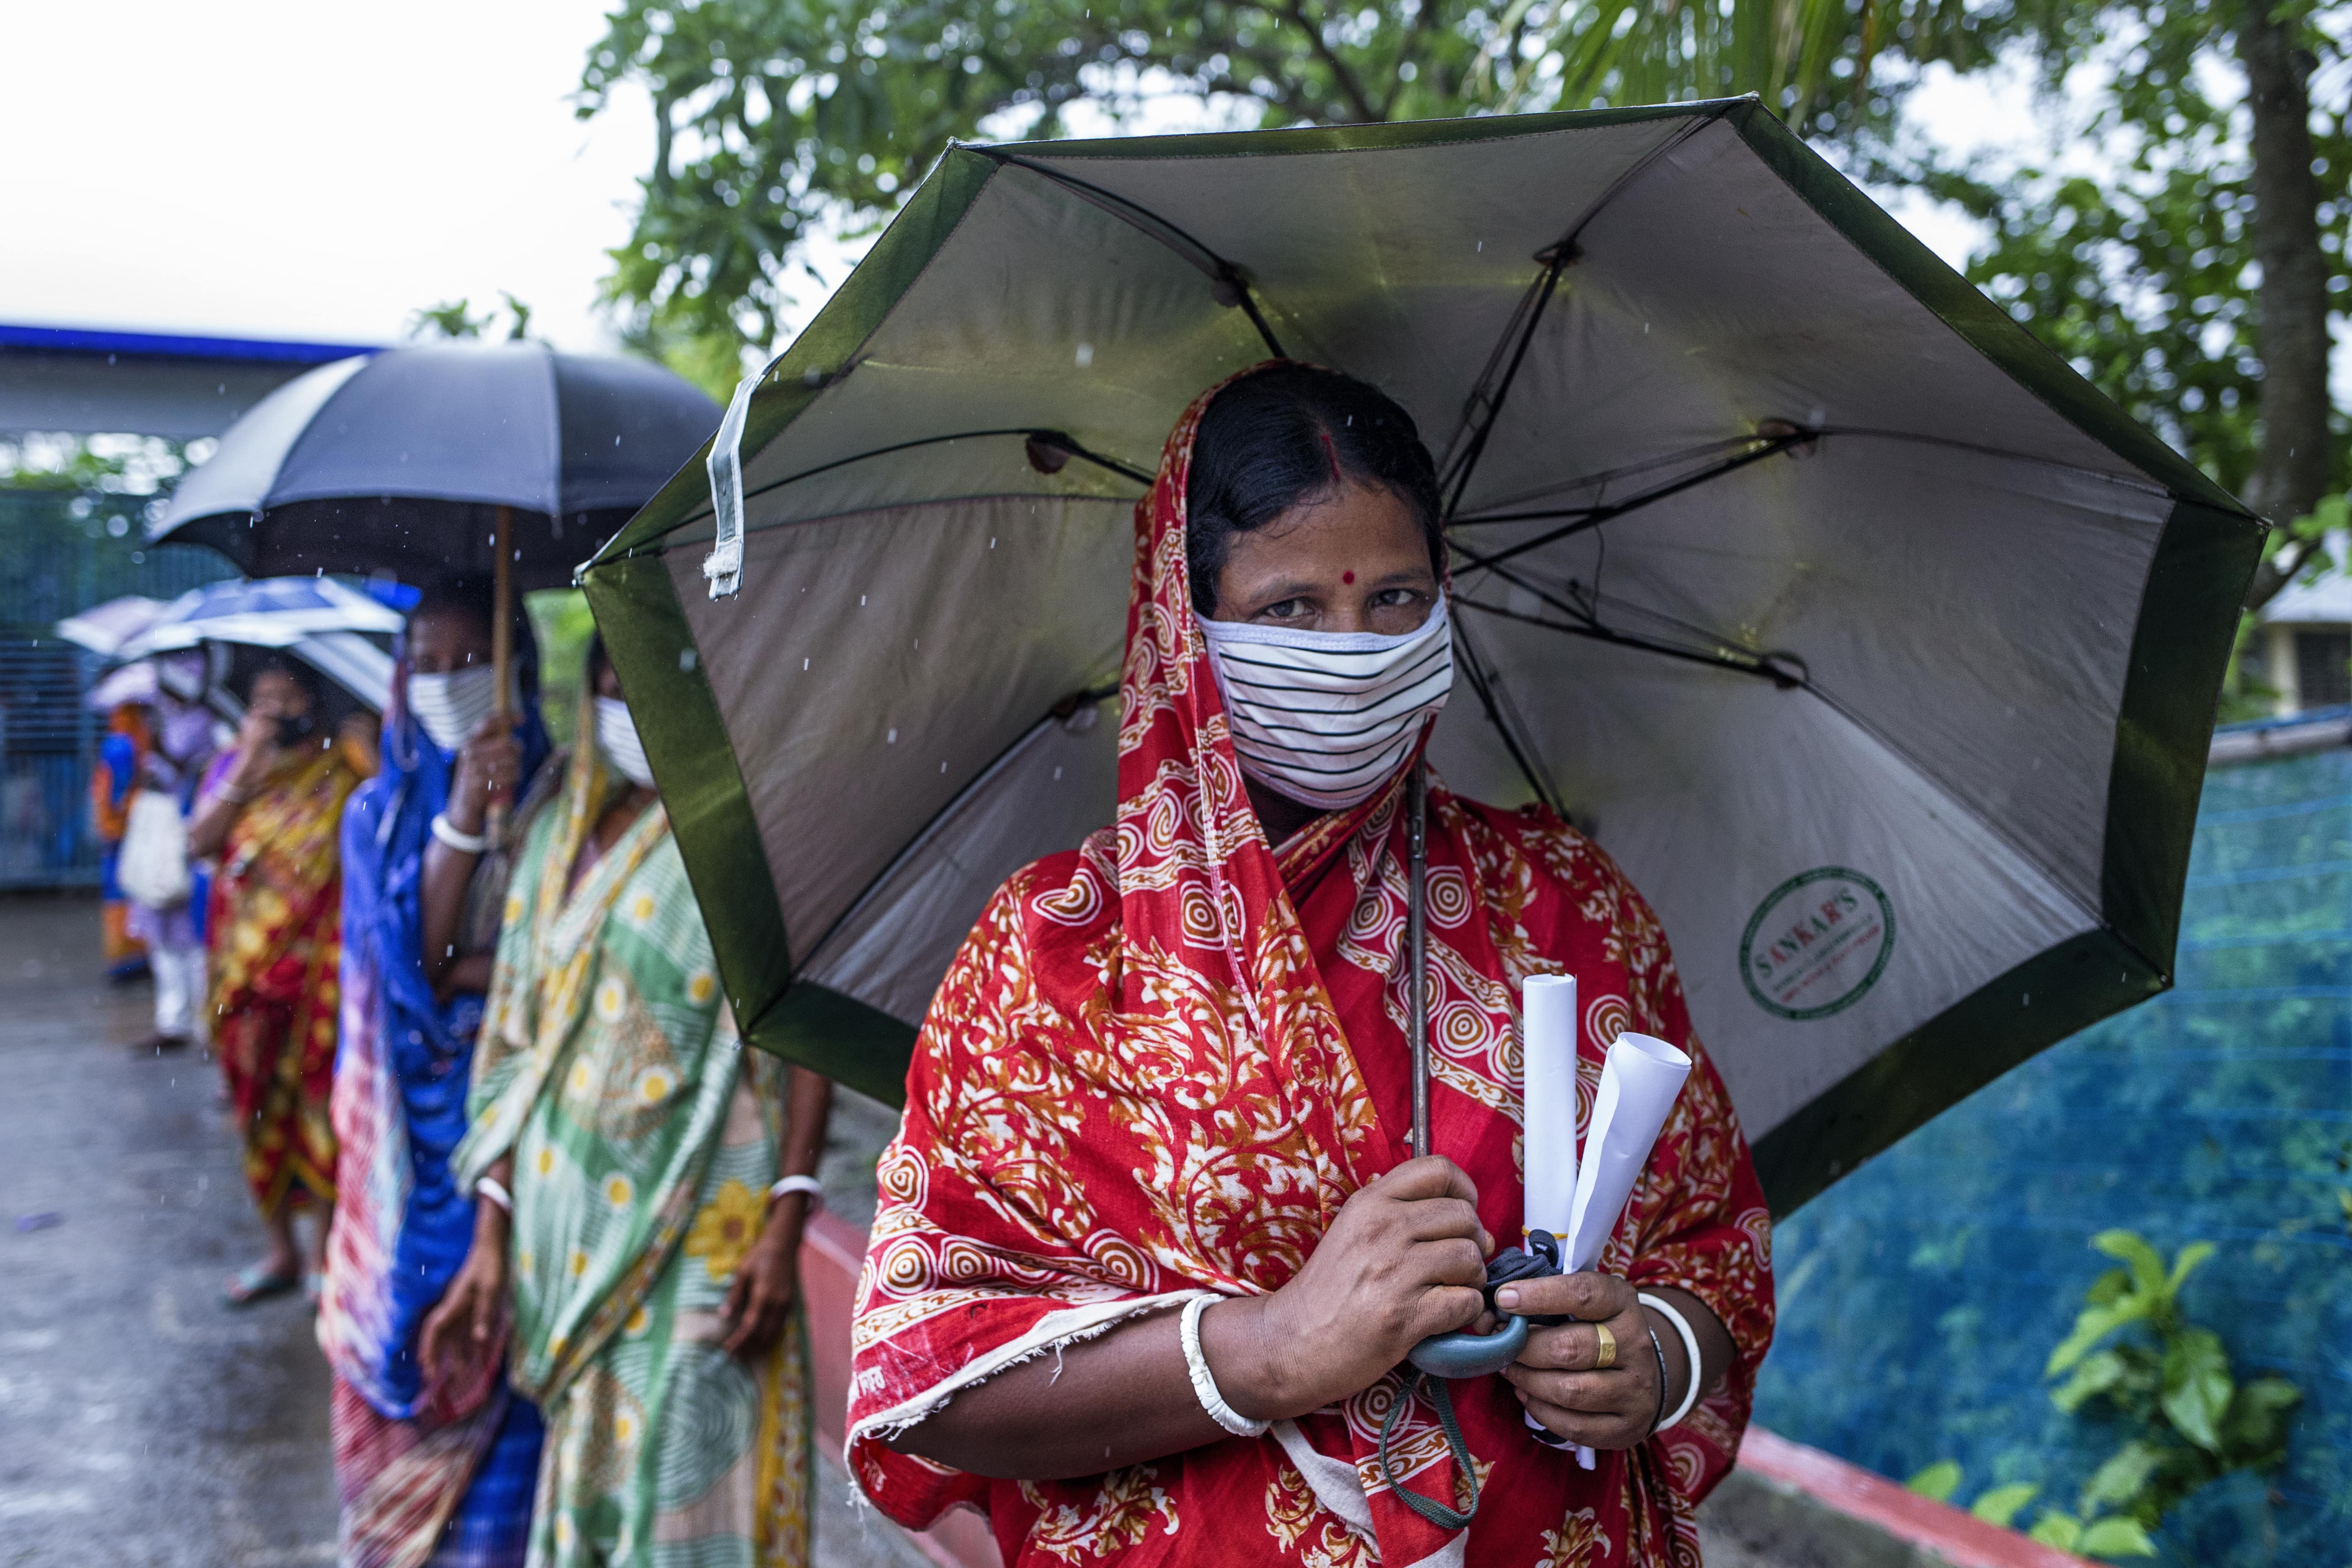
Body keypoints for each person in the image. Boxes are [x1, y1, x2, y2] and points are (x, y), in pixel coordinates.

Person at [844, 364, 1776, 1565]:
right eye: (1291, 610)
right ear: (1186, 620)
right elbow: (931, 1370)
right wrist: (1271, 1349)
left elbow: (1718, 1245)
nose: (1354, 652)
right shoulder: (1060, 959)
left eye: (1395, 599)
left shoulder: (1562, 905)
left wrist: (1653, 1352)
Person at [425, 637, 836, 1568]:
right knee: (600, 1502)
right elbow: (513, 1052)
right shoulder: (556, 839)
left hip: (708, 1241)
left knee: (690, 1504)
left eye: (650, 673)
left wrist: (788, 1218)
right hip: (561, 1255)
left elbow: (804, 1028)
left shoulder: (747, 839)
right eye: (610, 675)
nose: (626, 694)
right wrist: (490, 1236)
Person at [321, 577, 556, 1568]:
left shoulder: (560, 802)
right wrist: (463, 812)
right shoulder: (376, 815)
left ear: (520, 675)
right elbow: (410, 978)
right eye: (428, 662)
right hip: (407, 1176)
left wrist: (482, 969)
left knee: (511, 1467)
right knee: (407, 1370)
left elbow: (566, 967)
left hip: (528, 1158)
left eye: (473, 662)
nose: (447, 682)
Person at [190, 655, 371, 1305]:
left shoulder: (343, 767)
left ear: (312, 703)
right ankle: (280, 1252)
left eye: (287, 698)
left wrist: (363, 743)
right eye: (262, 699)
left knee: (322, 1110)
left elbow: (382, 813)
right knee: (256, 1113)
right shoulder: (231, 767)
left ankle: (325, 1256)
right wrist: (247, 765)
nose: (273, 711)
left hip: (320, 977)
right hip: (246, 982)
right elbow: (199, 844)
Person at [125, 652, 225, 1052]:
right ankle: (173, 1022)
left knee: (198, 938)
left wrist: (169, 758)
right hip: (165, 835)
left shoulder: (212, 724)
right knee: (164, 937)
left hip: (196, 832)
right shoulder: (165, 717)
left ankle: (207, 1027)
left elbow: (203, 772)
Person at [92, 696, 154, 982]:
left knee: (119, 889)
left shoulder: (118, 743)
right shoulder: (132, 743)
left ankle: (125, 956)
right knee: (130, 886)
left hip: (116, 827)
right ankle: (132, 956)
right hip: (126, 826)